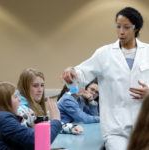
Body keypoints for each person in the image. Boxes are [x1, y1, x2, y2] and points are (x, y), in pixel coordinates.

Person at [62, 7, 149, 150]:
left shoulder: (148, 52)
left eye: (126, 27)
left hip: (144, 126)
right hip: (115, 129)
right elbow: (82, 73)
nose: (121, 31)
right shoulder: (104, 54)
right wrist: (71, 73)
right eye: (118, 26)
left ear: (136, 28)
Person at [17, 68, 83, 134]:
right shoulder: (22, 112)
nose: (40, 90)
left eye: (42, 85)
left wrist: (70, 128)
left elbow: (47, 124)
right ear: (24, 88)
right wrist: (56, 120)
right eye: (35, 86)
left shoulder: (34, 106)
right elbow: (29, 138)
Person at [0, 81, 62, 150]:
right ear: (5, 101)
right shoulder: (4, 118)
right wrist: (56, 120)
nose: (19, 99)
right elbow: (38, 141)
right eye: (15, 97)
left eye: (42, 85)